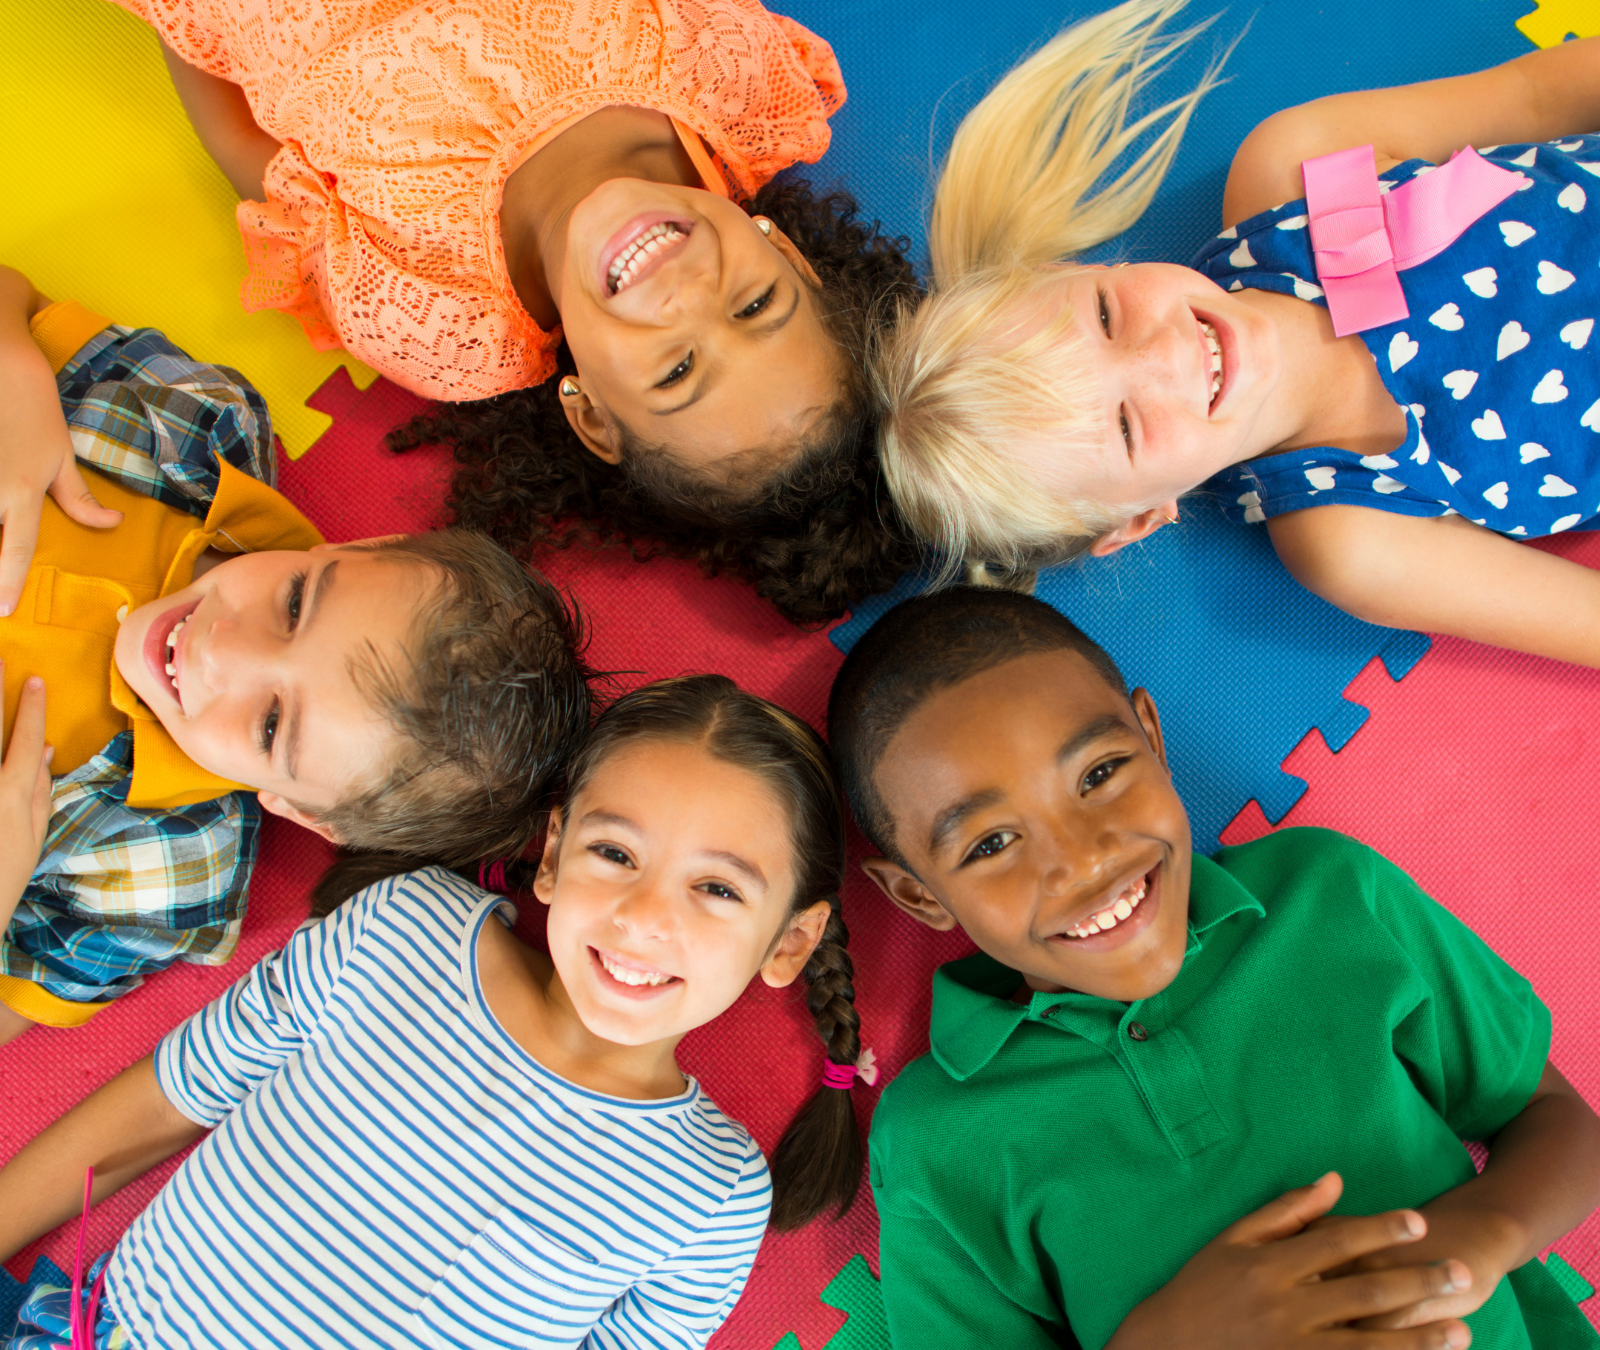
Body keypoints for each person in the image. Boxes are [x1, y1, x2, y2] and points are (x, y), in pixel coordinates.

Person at [826, 585, 1600, 1350]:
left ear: (1154, 739)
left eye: (1098, 775)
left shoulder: (1326, 895)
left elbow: (1555, 1120)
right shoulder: (936, 1139)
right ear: (918, 895)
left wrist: (1473, 1240)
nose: (1084, 861)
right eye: (991, 844)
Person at [0, 674, 868, 1349]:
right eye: (615, 852)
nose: (644, 916)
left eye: (716, 889)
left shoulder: (710, 1195)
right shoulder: (404, 929)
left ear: (787, 943)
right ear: (556, 855)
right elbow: (171, 1097)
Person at [21, 0, 924, 626]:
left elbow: (243, 141)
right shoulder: (736, 83)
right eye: (755, 303)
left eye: (678, 370)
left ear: (592, 416)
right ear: (789, 253)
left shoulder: (435, 318)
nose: (682, 296)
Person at [874, 0, 1600, 666]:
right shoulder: (1353, 538)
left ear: (1075, 267)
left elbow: (1537, 95)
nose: (1167, 353)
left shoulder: (1291, 171)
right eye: (1125, 426)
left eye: (1104, 315)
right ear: (1136, 521)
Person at [0, 267, 593, 1044]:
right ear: (362, 546)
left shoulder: (161, 877)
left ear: (298, 809)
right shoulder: (199, 433)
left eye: (273, 726)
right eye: (293, 604)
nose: (223, 650)